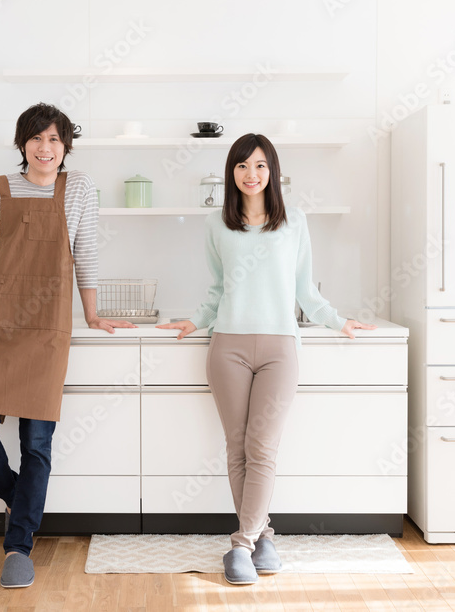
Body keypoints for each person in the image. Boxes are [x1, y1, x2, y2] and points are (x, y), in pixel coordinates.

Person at [0, 102, 135, 589]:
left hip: (48, 328)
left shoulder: (77, 189)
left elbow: (87, 252)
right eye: (37, 138)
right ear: (22, 144)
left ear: (65, 146)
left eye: (54, 139)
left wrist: (92, 314)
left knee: (37, 444)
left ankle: (18, 546)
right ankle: (20, 500)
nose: (45, 148)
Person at [157, 133, 376, 585]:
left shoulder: (293, 222)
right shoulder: (217, 225)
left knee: (262, 448)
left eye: (259, 165)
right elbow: (217, 290)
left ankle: (241, 544)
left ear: (272, 171)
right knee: (237, 449)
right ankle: (264, 537)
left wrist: (339, 321)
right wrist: (194, 322)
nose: (251, 174)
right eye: (242, 166)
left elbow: (305, 290)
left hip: (280, 348)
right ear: (231, 173)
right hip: (228, 347)